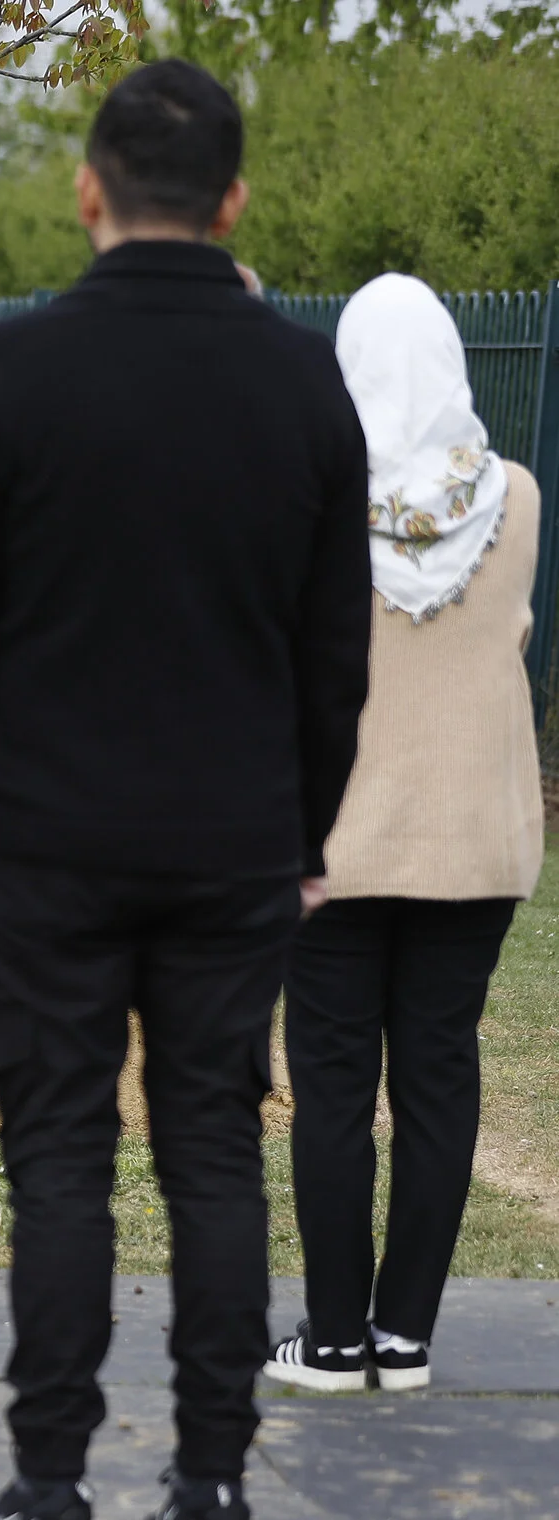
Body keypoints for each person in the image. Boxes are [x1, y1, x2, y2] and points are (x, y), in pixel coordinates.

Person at [0, 61, 372, 1520]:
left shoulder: (17, 371)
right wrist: (304, 837)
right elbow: (333, 651)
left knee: (60, 1163)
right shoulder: (304, 384)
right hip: (235, 838)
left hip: (47, 838)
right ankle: (214, 1496)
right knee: (216, 1156)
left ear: (89, 190)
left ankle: (50, 1499)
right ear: (235, 200)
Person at [265, 275, 542, 1396]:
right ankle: (403, 1334)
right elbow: (513, 628)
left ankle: (332, 1338)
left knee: (331, 1083)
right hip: (474, 836)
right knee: (439, 1070)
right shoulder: (515, 497)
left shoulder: (308, 496)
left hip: (336, 835)